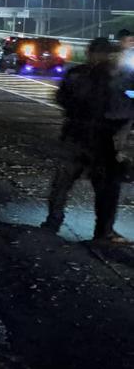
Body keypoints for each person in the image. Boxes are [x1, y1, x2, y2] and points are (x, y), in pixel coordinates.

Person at [42, 37, 131, 243]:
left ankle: (53, 223)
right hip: (102, 140)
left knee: (63, 184)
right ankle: (103, 232)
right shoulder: (115, 77)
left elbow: (61, 98)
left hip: (78, 135)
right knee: (105, 187)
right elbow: (125, 105)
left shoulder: (78, 74)